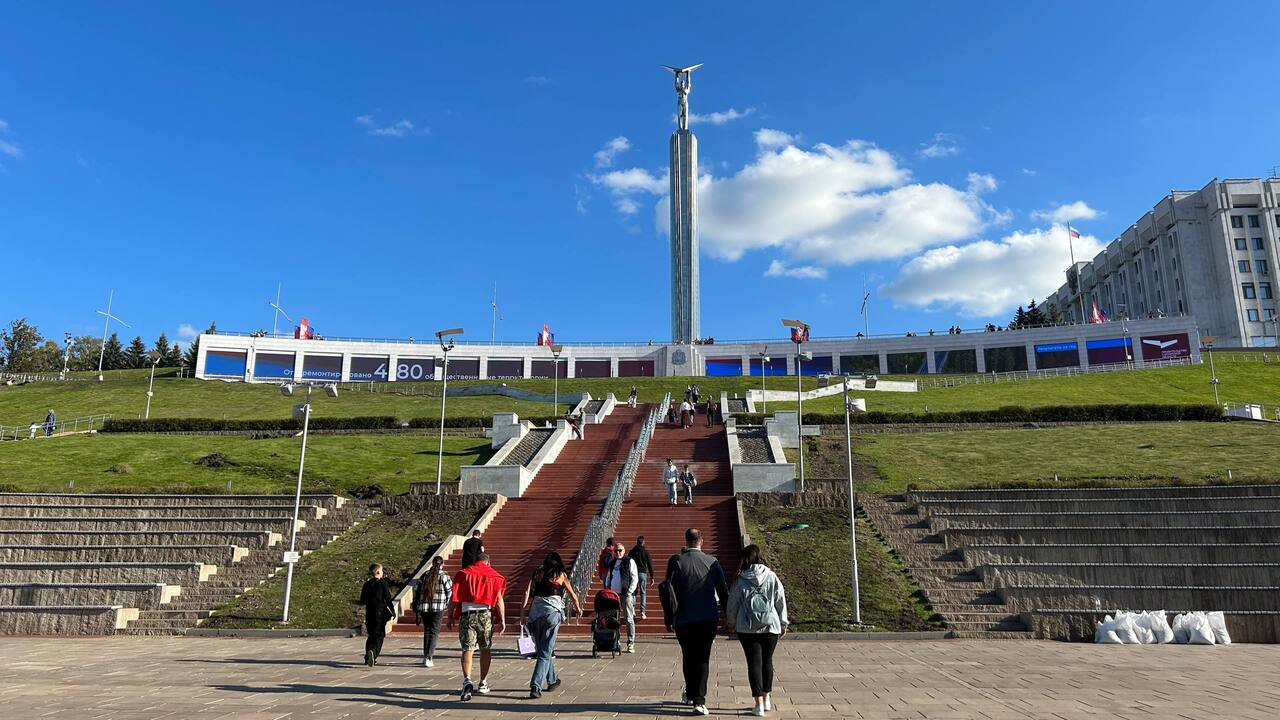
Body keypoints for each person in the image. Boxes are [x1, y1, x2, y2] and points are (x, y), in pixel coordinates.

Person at [665, 528, 728, 716]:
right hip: (707, 618)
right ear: (702, 541)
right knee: (702, 658)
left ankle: (691, 693)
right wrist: (729, 615)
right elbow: (723, 591)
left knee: (688, 656)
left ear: (686, 540)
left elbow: (668, 592)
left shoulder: (676, 562)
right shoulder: (713, 562)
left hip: (683, 619)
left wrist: (669, 618)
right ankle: (699, 700)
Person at [726, 545, 789, 716]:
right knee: (767, 662)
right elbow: (780, 600)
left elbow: (733, 603)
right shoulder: (771, 576)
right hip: (770, 626)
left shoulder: (740, 579)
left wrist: (731, 622)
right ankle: (767, 698)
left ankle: (758, 704)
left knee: (754, 663)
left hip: (747, 628)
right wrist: (783, 623)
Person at [521, 552, 582, 698]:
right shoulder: (560, 574)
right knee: (545, 652)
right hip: (552, 614)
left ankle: (552, 680)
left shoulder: (537, 573)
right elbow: (572, 594)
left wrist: (522, 614)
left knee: (543, 650)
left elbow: (526, 592)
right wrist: (578, 608)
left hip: (535, 614)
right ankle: (535, 686)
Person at [449, 551, 507, 701]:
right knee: (485, 648)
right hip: (485, 615)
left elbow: (454, 597)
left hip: (467, 614)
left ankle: (467, 679)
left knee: (467, 648)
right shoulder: (493, 576)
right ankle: (483, 682)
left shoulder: (463, 574)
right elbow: (499, 600)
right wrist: (502, 619)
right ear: (488, 562)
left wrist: (450, 616)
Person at [410, 555, 452, 668]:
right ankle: (429, 656)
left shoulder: (425, 575)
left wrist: (416, 602)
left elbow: (416, 588)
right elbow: (449, 591)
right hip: (438, 607)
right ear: (442, 564)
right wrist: (446, 603)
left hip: (424, 607)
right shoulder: (444, 576)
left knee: (427, 631)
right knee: (434, 632)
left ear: (432, 564)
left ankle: (426, 656)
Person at [603, 542, 639, 653]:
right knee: (613, 618)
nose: (618, 553)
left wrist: (630, 591)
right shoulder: (612, 563)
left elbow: (634, 577)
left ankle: (630, 641)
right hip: (614, 595)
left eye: (620, 550)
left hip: (625, 594)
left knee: (628, 618)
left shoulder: (629, 561)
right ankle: (615, 640)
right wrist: (607, 588)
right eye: (616, 551)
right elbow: (609, 576)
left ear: (624, 551)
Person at [359, 563, 396, 667]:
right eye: (382, 571)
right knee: (379, 636)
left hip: (369, 613)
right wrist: (392, 611)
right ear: (378, 572)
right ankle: (373, 653)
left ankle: (367, 656)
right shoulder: (383, 584)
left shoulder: (367, 584)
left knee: (371, 635)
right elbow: (388, 599)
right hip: (380, 613)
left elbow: (362, 600)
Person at [628, 536, 655, 621]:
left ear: (637, 542)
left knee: (633, 592)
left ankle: (633, 609)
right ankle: (642, 612)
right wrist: (652, 577)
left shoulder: (632, 551)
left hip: (634, 573)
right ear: (643, 542)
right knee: (643, 592)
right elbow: (650, 565)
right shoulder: (645, 552)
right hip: (643, 573)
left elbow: (628, 562)